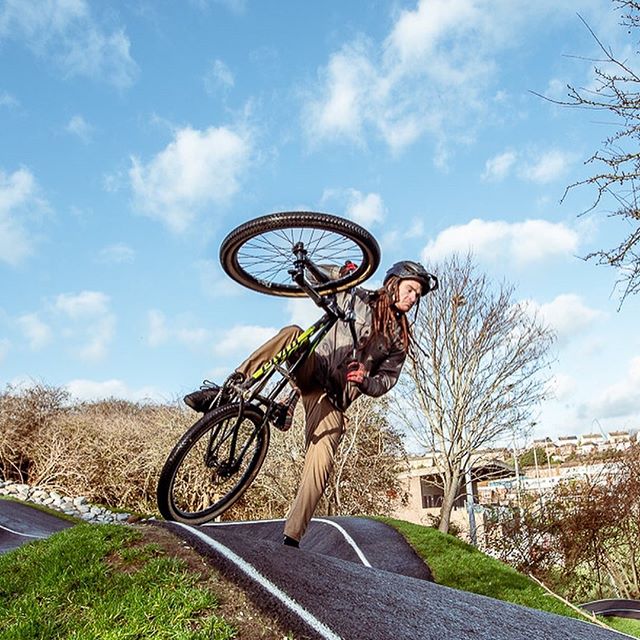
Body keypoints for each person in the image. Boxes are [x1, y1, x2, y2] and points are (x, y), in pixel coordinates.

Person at [184, 260, 437, 547]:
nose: (413, 298)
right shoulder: (356, 296)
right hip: (312, 368)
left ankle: (292, 537)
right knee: (292, 333)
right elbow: (322, 280)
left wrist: (365, 381)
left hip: (332, 398)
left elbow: (387, 380)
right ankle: (232, 389)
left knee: (322, 462)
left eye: (417, 295)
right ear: (393, 283)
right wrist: (337, 271)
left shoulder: (398, 339)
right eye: (410, 290)